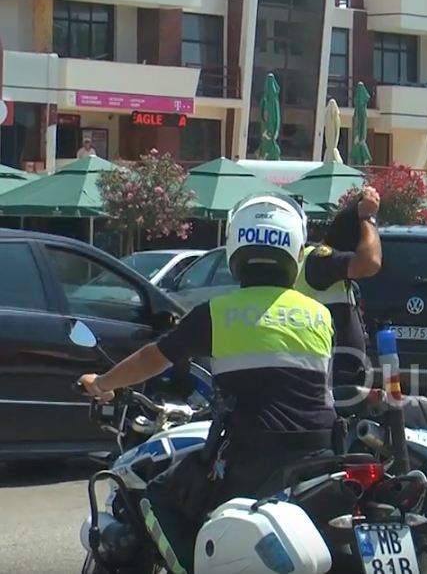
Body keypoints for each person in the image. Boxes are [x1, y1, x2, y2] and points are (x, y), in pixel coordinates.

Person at [78, 193, 337, 573]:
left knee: (158, 498)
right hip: (320, 452)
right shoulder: (319, 314)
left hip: (252, 454)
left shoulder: (217, 313)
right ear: (296, 252)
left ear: (236, 249)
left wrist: (103, 381)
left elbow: (153, 357)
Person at [294, 186, 382, 386]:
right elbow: (372, 262)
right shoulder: (319, 261)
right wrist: (367, 218)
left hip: (340, 382)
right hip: (326, 382)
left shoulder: (339, 277)